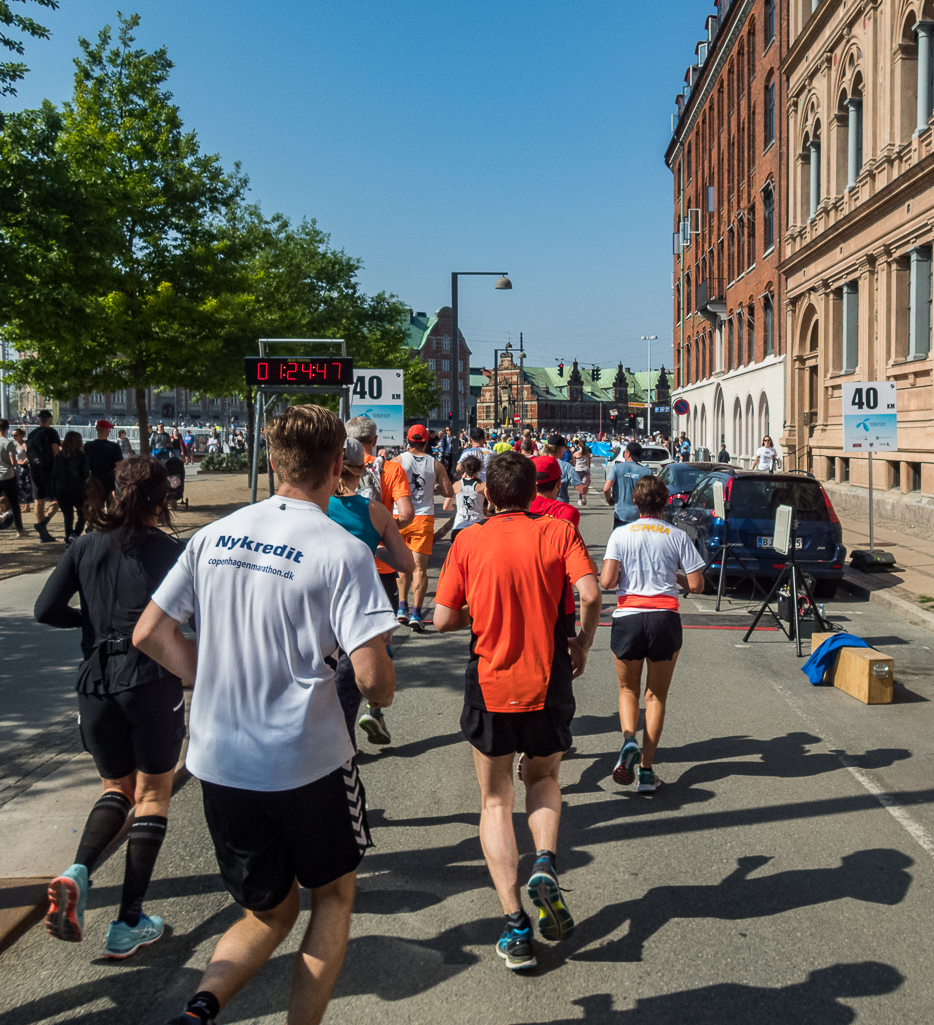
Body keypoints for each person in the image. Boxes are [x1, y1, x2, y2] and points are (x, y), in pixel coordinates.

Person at [133, 404, 397, 1025]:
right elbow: (372, 681)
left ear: (272, 462)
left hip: (220, 759)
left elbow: (150, 632)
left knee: (267, 914)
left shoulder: (214, 535)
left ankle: (198, 1011)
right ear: (339, 465)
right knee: (332, 896)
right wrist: (383, 685)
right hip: (306, 761)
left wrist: (210, 674)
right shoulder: (342, 550)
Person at [434, 453, 600, 972]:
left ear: (487, 494)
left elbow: (441, 620)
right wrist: (582, 645)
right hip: (548, 674)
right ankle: (546, 861)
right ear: (533, 494)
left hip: (491, 680)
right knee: (545, 778)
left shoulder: (467, 540)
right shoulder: (557, 531)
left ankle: (516, 926)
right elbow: (591, 593)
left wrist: (477, 612)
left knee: (495, 801)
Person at [35, 456, 184, 958]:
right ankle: (127, 922)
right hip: (149, 680)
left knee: (115, 788)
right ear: (162, 501)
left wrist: (91, 624)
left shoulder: (83, 544)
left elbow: (44, 609)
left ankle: (78, 870)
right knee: (153, 795)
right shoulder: (169, 550)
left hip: (94, 683)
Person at [600, 475, 706, 793]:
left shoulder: (621, 534)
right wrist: (673, 575)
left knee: (627, 690)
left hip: (629, 617)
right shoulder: (677, 536)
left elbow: (606, 582)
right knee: (655, 696)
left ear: (635, 502)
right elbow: (698, 585)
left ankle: (629, 740)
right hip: (664, 618)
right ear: (665, 502)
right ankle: (646, 771)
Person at [328, 437, 414, 747]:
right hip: (358, 602)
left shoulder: (317, 504)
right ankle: (353, 735)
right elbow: (406, 563)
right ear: (361, 469)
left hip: (318, 599)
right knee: (355, 673)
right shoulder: (373, 510)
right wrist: (371, 549)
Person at [345, 416, 414, 634]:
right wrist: (384, 529)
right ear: (374, 440)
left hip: (345, 563)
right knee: (382, 635)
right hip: (381, 565)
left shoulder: (337, 469)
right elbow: (406, 514)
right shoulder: (391, 470)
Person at [393, 424, 454, 632]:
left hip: (399, 516)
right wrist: (436, 486)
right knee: (420, 568)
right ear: (427, 441)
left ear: (408, 441)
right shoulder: (435, 464)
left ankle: (402, 608)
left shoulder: (397, 461)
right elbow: (448, 492)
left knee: (401, 565)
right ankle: (416, 613)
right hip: (423, 518)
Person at [26, 409, 62, 542]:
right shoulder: (51, 432)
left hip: (35, 469)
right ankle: (43, 525)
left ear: (39, 419)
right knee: (57, 499)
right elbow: (55, 451)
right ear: (50, 419)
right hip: (49, 468)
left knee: (38, 500)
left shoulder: (32, 434)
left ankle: (43, 533)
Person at [52, 431, 91, 543]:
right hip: (78, 489)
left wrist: (54, 492)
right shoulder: (82, 456)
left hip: (62, 489)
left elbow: (54, 475)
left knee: (68, 517)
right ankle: (75, 533)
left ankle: (68, 537)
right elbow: (85, 474)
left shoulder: (59, 456)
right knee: (82, 514)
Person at [604, 441, 652, 530]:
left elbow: (606, 488)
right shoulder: (647, 471)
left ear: (628, 453)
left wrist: (610, 499)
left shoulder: (616, 468)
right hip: (640, 516)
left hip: (621, 515)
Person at [445, 453, 487, 544]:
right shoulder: (483, 486)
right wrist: (486, 509)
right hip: (478, 525)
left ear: (464, 469)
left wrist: (459, 507)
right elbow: (492, 504)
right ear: (479, 469)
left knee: (457, 556)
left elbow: (446, 507)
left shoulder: (456, 485)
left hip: (459, 526)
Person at [84, 420, 124, 500]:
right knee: (111, 508)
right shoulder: (114, 447)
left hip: (94, 479)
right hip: (110, 480)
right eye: (109, 429)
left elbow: (85, 465)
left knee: (97, 507)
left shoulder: (88, 446)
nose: (109, 431)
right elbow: (119, 466)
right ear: (105, 430)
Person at [0, 419, 25, 535]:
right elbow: (13, 462)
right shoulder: (8, 443)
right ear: (7, 429)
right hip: (8, 476)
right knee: (15, 504)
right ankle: (19, 529)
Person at [542, 435, 581, 504]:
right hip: (560, 505)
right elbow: (580, 488)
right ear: (560, 449)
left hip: (542, 505)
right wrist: (585, 486)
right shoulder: (567, 466)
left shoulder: (539, 463)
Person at [12, 427, 33, 517]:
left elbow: (30, 455)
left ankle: (27, 506)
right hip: (17, 468)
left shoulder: (24, 444)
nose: (13, 437)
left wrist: (23, 462)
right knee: (20, 486)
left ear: (21, 435)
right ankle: (24, 505)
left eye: (15, 435)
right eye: (12, 435)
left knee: (25, 486)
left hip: (23, 467)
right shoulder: (17, 444)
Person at [572, 438, 593, 506]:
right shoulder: (587, 453)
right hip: (585, 470)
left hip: (578, 470)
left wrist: (574, 466)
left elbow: (573, 462)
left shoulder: (576, 453)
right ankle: (584, 496)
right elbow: (589, 462)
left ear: (579, 446)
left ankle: (580, 498)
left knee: (579, 485)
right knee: (585, 484)